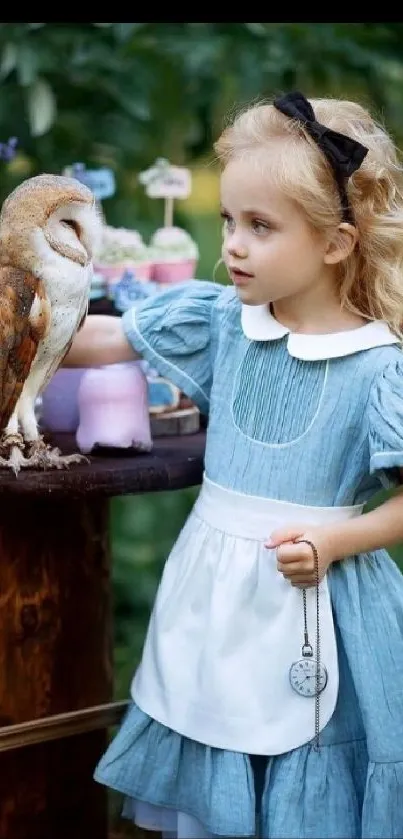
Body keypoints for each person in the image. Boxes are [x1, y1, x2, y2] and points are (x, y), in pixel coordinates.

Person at [64, 91, 403, 839]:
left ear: (336, 244)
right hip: (213, 601)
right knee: (214, 757)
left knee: (305, 782)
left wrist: (334, 542)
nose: (233, 246)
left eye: (259, 226)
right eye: (228, 221)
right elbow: (92, 338)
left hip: (321, 610)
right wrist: (26, 310)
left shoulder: (376, 367)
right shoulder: (222, 321)